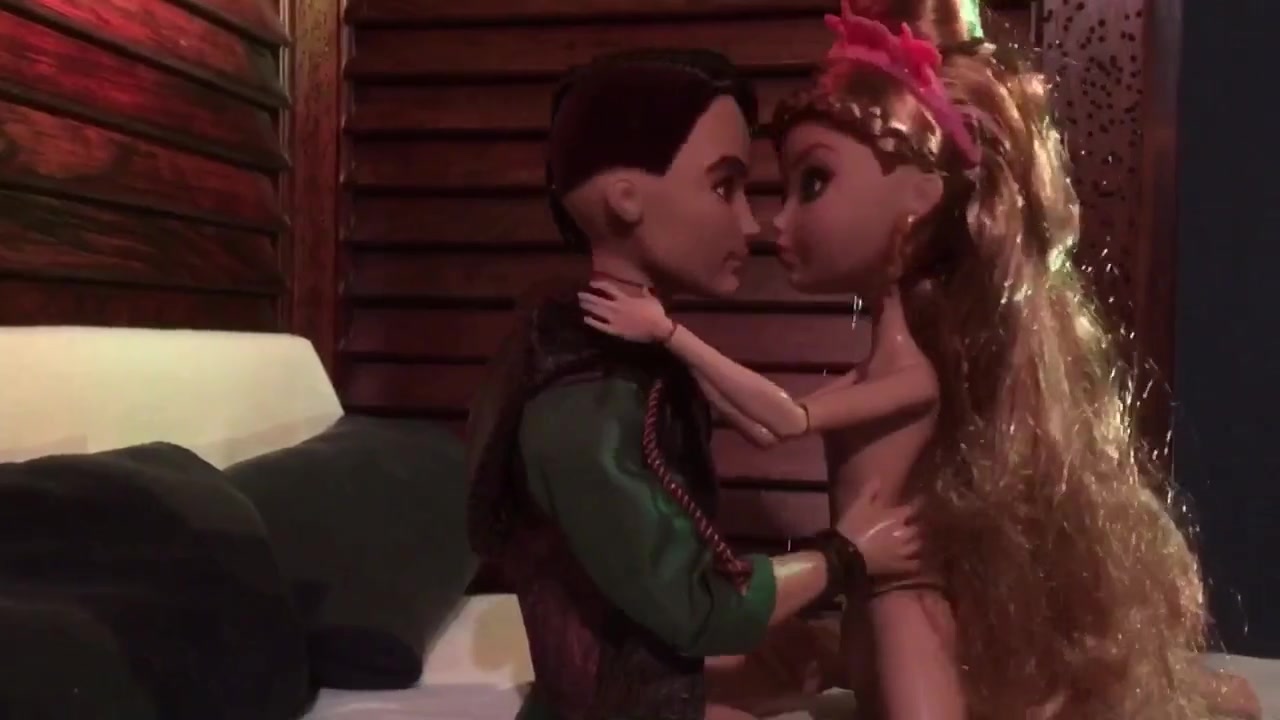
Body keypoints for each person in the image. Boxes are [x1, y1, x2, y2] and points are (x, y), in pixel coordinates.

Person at [578, 3, 1241, 718]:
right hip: (859, 594)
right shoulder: (881, 366)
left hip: (897, 592)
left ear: (921, 197)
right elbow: (763, 416)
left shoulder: (913, 373)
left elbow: (781, 419)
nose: (775, 220)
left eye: (814, 182)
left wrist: (668, 334)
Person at [465, 48, 923, 720]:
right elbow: (694, 604)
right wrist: (846, 555)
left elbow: (769, 422)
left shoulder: (633, 363)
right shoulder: (584, 407)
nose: (750, 222)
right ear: (626, 199)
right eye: (723, 186)